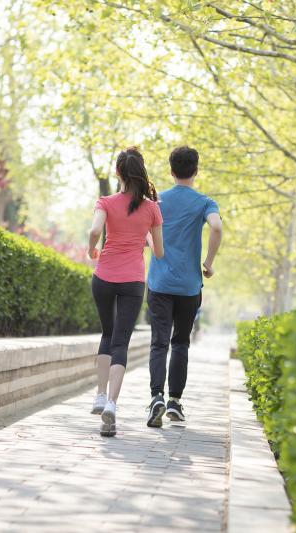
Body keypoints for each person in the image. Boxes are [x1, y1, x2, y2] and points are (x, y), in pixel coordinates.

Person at [87, 146, 164, 437]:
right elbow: (159, 251)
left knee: (107, 335)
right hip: (132, 281)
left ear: (118, 172)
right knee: (121, 341)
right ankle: (111, 405)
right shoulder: (152, 209)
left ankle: (98, 393)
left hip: (103, 276)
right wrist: (142, 235)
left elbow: (95, 231)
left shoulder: (105, 202)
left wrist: (91, 248)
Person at [145, 146, 222, 428]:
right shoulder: (204, 202)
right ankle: (175, 402)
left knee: (159, 341)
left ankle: (156, 397)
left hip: (159, 283)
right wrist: (209, 262)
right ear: (196, 170)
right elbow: (216, 228)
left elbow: (145, 233)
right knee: (180, 342)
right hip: (189, 286)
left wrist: (153, 246)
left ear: (171, 170)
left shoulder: (157, 200)